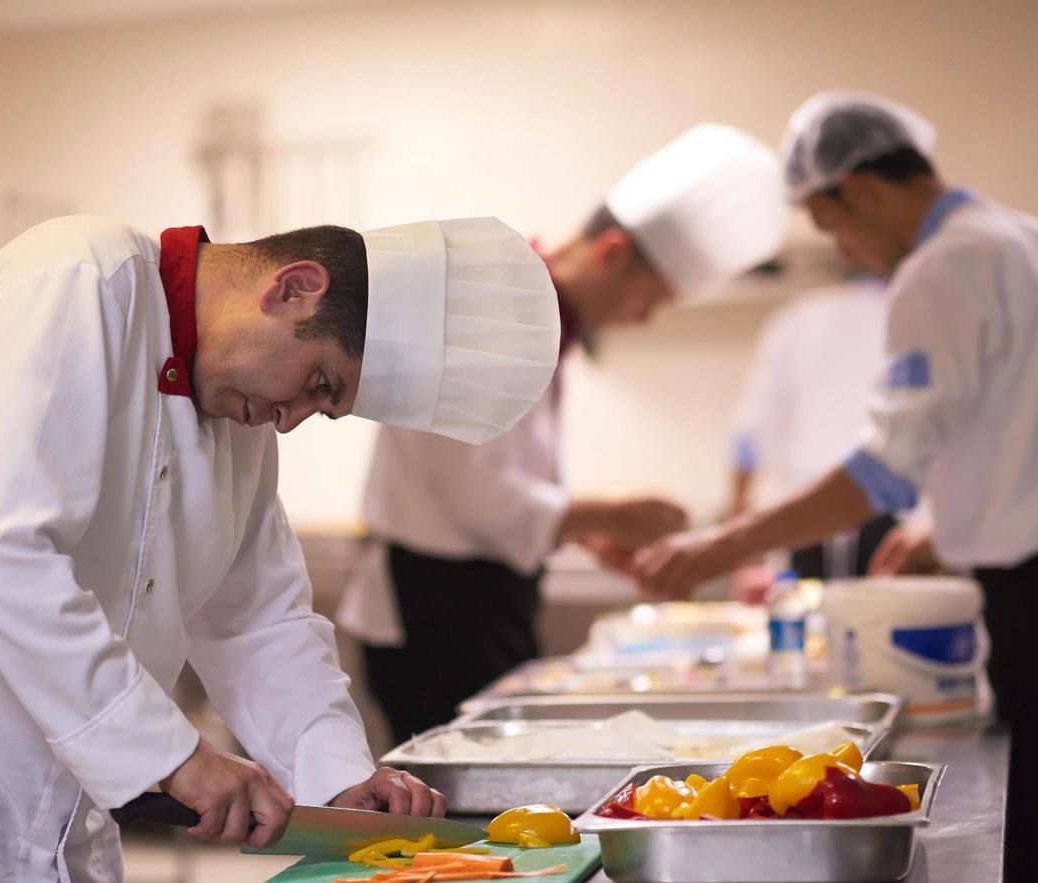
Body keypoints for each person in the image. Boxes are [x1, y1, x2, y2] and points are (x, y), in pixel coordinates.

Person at [0, 213, 560, 883]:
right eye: (319, 381)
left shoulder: (240, 423)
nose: (291, 422)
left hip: (63, 877)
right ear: (294, 288)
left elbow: (260, 621)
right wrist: (178, 757)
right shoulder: (76, 280)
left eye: (325, 406)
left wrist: (341, 785)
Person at [632, 92, 1038, 883]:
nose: (842, 249)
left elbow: (881, 469)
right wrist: (949, 519)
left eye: (828, 224)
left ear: (859, 192)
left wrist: (719, 545)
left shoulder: (942, 269)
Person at [336, 124, 790, 744]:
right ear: (610, 254)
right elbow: (472, 493)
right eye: (649, 300)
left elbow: (504, 479)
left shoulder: (542, 322)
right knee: (460, 831)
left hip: (480, 603)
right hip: (431, 612)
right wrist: (605, 512)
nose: (645, 321)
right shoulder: (485, 305)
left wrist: (590, 529)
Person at [728, 275, 898, 582]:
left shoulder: (797, 317)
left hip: (806, 510)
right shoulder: (906, 312)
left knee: (808, 623)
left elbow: (749, 434)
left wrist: (737, 527)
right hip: (886, 512)